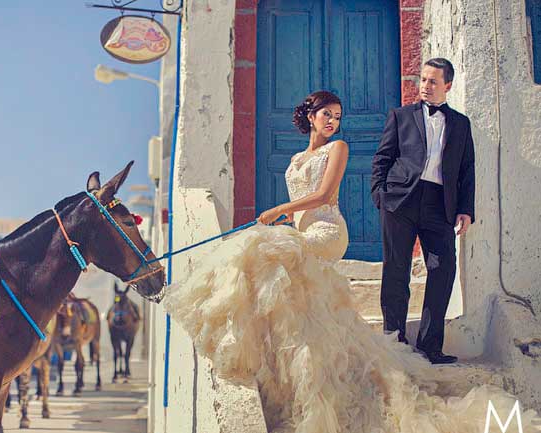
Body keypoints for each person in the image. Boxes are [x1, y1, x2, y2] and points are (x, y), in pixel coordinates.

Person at [164, 91, 537, 433]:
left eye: (337, 116)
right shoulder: (296, 159)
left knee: (258, 250)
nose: (332, 122)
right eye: (326, 114)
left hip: (327, 231)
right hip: (301, 232)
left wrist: (280, 210)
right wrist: (287, 221)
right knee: (271, 270)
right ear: (310, 116)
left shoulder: (338, 148)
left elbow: (324, 195)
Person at [371, 58, 475, 364]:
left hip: (440, 203)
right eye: (423, 80)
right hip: (400, 201)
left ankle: (431, 345)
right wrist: (381, 196)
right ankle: (394, 340)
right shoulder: (401, 116)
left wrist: (466, 209)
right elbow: (382, 158)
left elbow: (467, 169)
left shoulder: (460, 123)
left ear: (448, 86)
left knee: (443, 269)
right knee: (396, 269)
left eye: (433, 81)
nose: (425, 87)